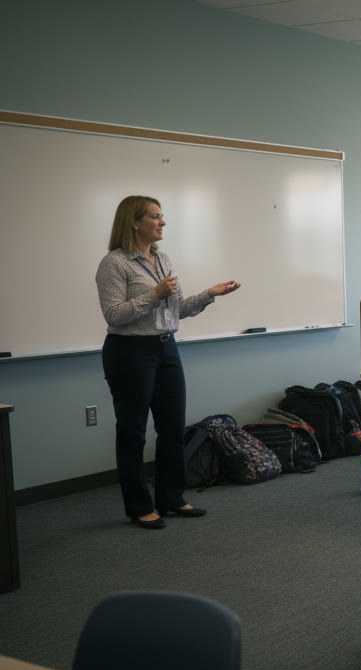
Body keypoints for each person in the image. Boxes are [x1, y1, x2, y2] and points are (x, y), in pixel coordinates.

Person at [95, 196, 241, 529]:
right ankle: (138, 507)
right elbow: (114, 314)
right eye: (155, 217)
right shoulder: (114, 263)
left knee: (173, 428)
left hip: (166, 348)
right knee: (132, 432)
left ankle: (171, 498)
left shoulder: (163, 259)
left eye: (162, 216)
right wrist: (154, 295)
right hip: (129, 352)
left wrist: (209, 294)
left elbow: (178, 310)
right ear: (135, 222)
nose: (162, 222)